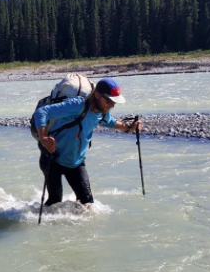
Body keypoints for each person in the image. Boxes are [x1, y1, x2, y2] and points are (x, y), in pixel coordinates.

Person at [34, 77, 142, 206]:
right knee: (55, 202)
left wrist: (129, 128)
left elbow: (110, 122)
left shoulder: (103, 111)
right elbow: (42, 112)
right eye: (109, 101)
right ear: (97, 95)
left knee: (88, 204)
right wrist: (44, 136)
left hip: (76, 161)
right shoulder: (78, 105)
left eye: (114, 102)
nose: (112, 105)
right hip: (53, 158)